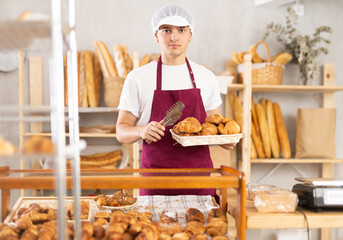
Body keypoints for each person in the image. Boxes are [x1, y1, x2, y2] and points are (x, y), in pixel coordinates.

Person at [116, 4, 236, 195]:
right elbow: (121, 131)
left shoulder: (205, 76)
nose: (174, 37)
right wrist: (141, 130)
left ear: (190, 35)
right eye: (166, 30)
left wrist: (225, 140)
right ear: (156, 35)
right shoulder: (137, 78)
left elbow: (215, 127)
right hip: (156, 180)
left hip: (199, 180)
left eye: (181, 30)